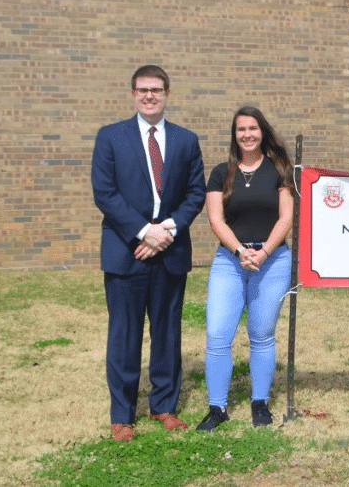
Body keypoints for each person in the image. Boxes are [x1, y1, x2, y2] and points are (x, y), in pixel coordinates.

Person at [91, 64, 206, 441]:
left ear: (167, 93)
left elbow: (195, 194)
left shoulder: (186, 140)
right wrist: (144, 232)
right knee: (124, 335)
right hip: (127, 251)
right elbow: (104, 193)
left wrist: (166, 230)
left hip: (170, 252)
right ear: (133, 94)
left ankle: (164, 405)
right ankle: (122, 414)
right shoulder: (111, 137)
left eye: (156, 89)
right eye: (142, 90)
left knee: (167, 333)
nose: (149, 96)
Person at [197, 106, 295, 430]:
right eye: (241, 129)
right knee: (217, 335)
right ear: (234, 134)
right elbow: (216, 220)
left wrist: (263, 252)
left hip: (272, 260)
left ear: (262, 132)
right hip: (230, 260)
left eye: (253, 128)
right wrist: (240, 250)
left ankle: (259, 403)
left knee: (262, 335)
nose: (247, 134)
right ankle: (217, 408)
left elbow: (286, 217)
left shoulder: (280, 170)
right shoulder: (220, 173)